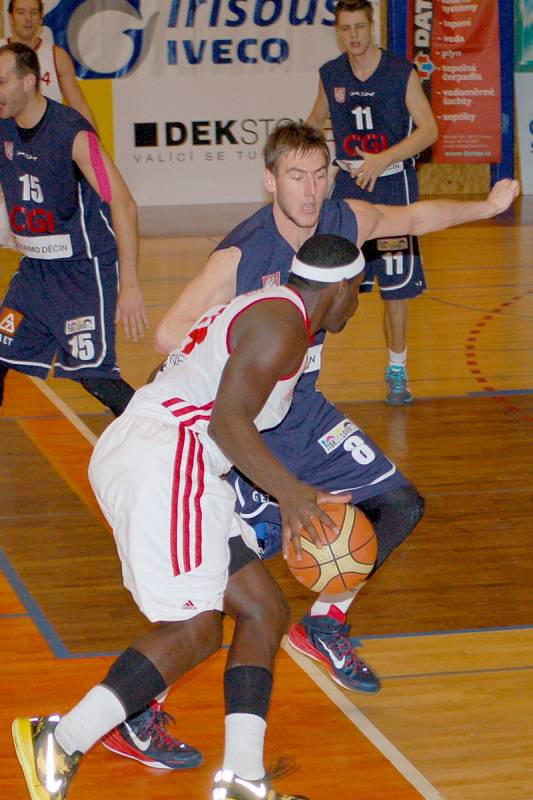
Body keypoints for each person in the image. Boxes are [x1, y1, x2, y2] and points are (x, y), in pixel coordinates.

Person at [12, 233, 365, 800]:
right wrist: (293, 494)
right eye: (359, 291)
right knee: (197, 628)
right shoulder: (284, 327)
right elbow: (226, 424)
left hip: (179, 460)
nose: (358, 303)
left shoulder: (267, 308)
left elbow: (171, 383)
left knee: (264, 609)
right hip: (171, 457)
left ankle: (244, 779)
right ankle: (61, 738)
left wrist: (294, 493)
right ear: (342, 287)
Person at [0, 43, 146, 416]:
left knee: (95, 377)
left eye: (1, 82)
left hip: (82, 272)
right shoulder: (2, 128)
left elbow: (123, 203)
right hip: (34, 274)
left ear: (30, 81)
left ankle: (160, 440)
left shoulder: (73, 134)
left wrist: (129, 285)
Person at [307, 0, 439, 405]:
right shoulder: (332, 75)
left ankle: (397, 371)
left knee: (395, 291)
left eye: (360, 27)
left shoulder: (400, 73)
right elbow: (314, 122)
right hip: (349, 188)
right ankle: (305, 378)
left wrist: (385, 158)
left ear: (372, 26)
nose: (354, 36)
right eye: (346, 28)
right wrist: (302, 152)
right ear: (338, 31)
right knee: (325, 286)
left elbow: (429, 130)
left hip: (393, 186)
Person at [1, 0, 96, 125]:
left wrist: (94, 142)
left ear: (41, 18)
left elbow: (80, 107)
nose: (28, 18)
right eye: (21, 12)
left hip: (47, 137)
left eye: (34, 13)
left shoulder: (57, 56)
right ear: (11, 18)